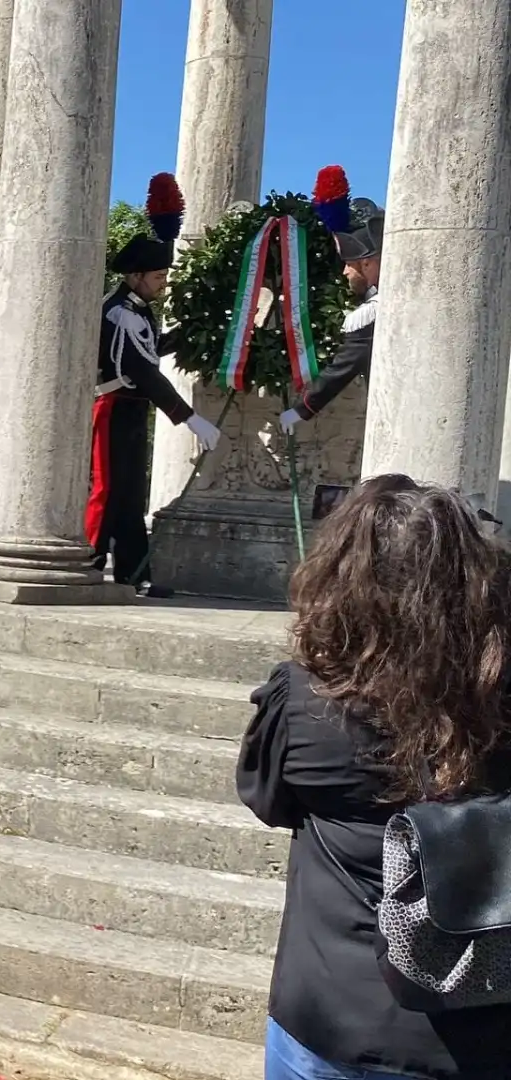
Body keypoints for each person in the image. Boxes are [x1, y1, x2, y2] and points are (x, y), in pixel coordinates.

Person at [237, 475, 511, 1080]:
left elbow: (267, 798)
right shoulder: (501, 706)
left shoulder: (306, 702)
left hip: (330, 1012)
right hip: (482, 1027)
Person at [90, 230, 222, 591]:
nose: (162, 284)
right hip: (112, 408)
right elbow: (142, 371)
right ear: (136, 277)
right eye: (158, 277)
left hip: (131, 410)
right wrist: (189, 417)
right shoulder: (119, 313)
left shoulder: (137, 312)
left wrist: (194, 328)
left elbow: (150, 351)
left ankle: (134, 575)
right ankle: (88, 562)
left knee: (131, 494)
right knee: (106, 490)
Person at [279, 195, 383, 435]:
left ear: (367, 264)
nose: (345, 271)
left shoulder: (373, 312)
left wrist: (299, 411)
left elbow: (342, 368)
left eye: (350, 264)